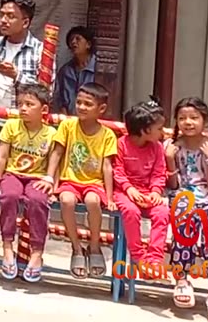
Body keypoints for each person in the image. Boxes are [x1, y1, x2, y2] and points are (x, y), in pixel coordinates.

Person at [167, 97, 208, 319]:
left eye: (194, 117)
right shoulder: (172, 147)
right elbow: (173, 185)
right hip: (183, 195)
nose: (188, 122)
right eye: (182, 118)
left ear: (205, 120)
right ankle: (182, 279)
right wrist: (170, 161)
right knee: (184, 218)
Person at [49, 81, 116, 279]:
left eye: (88, 104)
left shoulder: (107, 135)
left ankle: (94, 246)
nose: (81, 107)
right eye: (79, 102)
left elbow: (107, 166)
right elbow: (56, 154)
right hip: (69, 180)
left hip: (94, 183)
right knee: (67, 201)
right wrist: (52, 185)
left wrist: (110, 198)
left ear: (101, 109)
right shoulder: (68, 126)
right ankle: (76, 248)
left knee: (93, 201)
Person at [0, 83, 56, 282]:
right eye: (20, 103)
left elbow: (56, 162)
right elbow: (2, 156)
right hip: (13, 174)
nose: (23, 108)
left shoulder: (52, 133)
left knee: (38, 200)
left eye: (29, 104)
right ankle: (7, 246)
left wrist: (52, 183)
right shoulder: (11, 126)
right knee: (9, 196)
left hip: (37, 177)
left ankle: (37, 252)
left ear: (43, 110)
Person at [113, 100, 169, 268]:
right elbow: (117, 170)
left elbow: (159, 172)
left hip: (147, 191)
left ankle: (155, 257)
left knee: (162, 212)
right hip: (123, 191)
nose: (163, 132)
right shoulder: (121, 144)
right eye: (159, 129)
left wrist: (156, 191)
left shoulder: (157, 147)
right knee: (131, 211)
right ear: (145, 130)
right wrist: (129, 188)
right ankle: (138, 255)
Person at [53, 26, 97, 116]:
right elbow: (60, 99)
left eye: (78, 39)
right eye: (71, 40)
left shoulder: (99, 68)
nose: (73, 42)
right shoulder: (65, 71)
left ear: (88, 44)